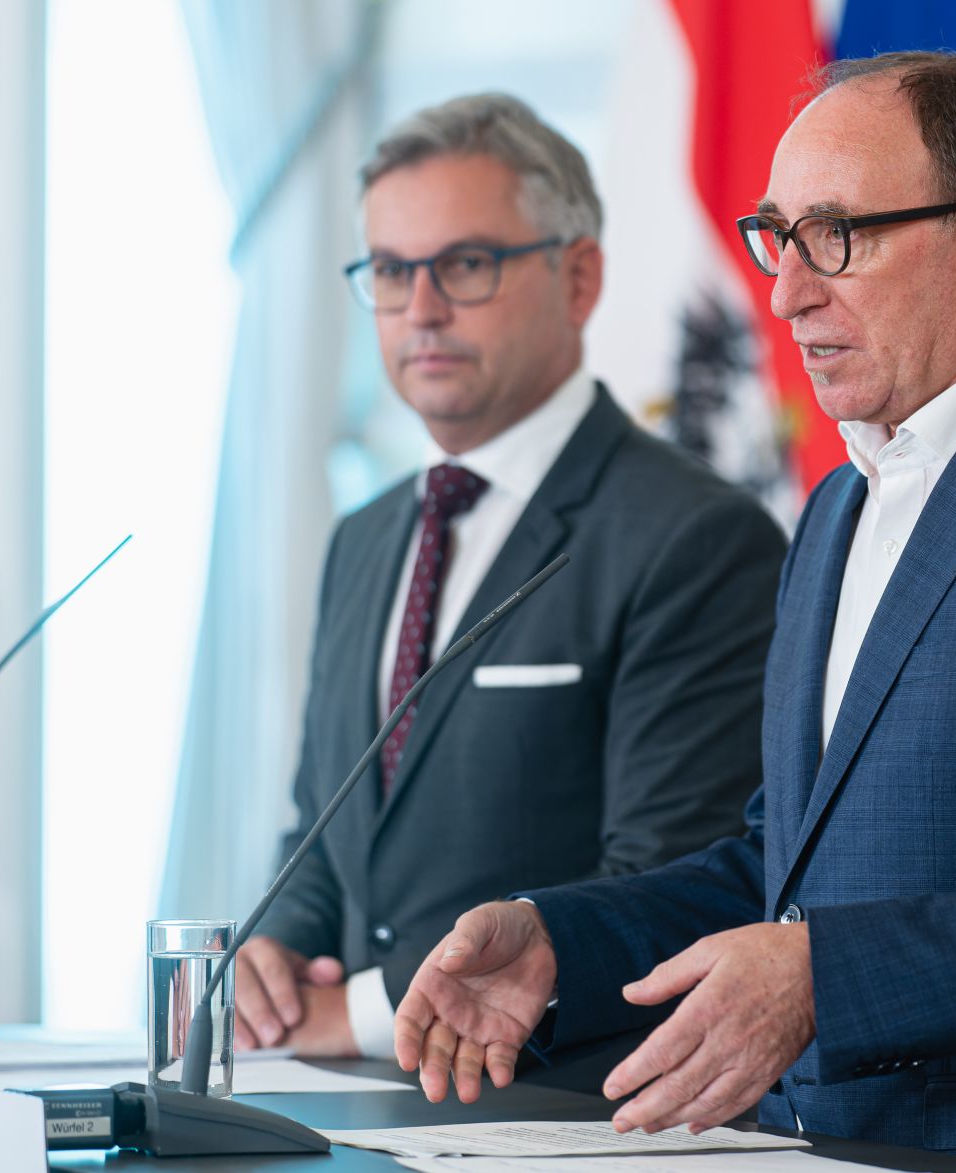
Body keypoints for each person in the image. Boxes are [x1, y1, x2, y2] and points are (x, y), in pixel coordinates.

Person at [394, 53, 956, 1173]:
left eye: (835, 236)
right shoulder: (838, 501)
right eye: (776, 237)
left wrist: (826, 978)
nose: (784, 291)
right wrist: (560, 943)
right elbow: (789, 865)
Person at [236, 93, 787, 1061]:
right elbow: (329, 824)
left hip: (571, 1113)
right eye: (391, 270)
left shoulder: (695, 537)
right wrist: (274, 950)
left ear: (577, 279)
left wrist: (362, 1014)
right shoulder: (363, 537)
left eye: (465, 263)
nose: (420, 307)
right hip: (347, 1110)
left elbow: (672, 879)